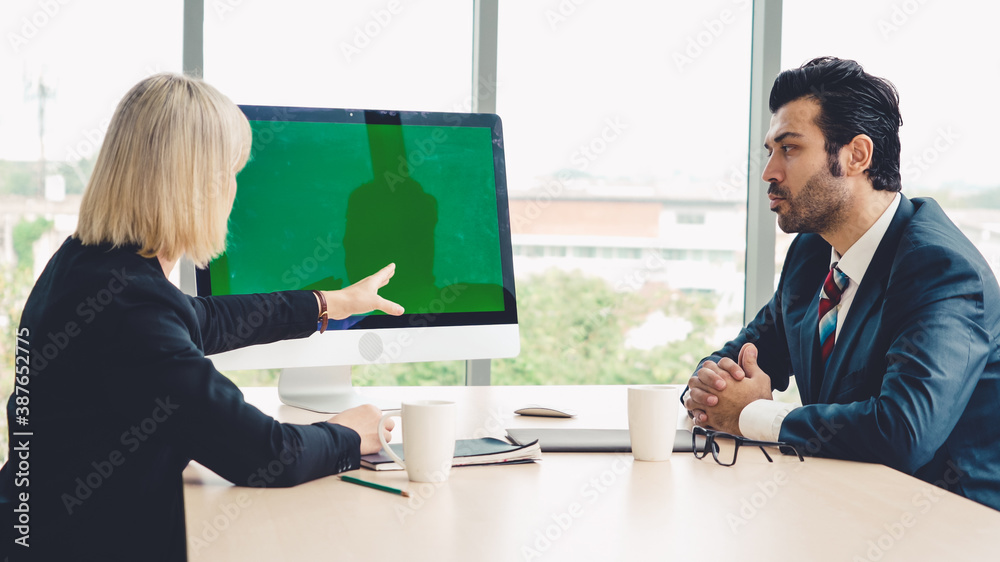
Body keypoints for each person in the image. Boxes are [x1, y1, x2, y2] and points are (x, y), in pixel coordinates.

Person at [0, 73, 405, 561]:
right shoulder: (131, 307)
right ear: (198, 185)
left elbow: (198, 318)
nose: (235, 189)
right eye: (232, 172)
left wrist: (328, 303)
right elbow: (266, 455)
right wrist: (349, 435)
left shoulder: (89, 264)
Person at [684, 57, 1000, 511]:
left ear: (856, 156)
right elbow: (745, 355)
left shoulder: (940, 268)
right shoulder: (812, 253)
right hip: (842, 506)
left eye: (789, 149)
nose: (769, 172)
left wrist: (751, 413)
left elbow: (902, 431)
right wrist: (712, 384)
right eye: (770, 150)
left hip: (943, 526)